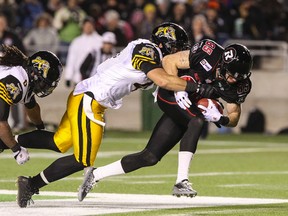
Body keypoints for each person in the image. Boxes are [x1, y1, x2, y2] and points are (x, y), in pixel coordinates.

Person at [14, 22, 215, 208]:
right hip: (91, 99)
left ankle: (9, 142)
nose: (179, 52)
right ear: (166, 44)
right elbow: (162, 81)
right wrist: (197, 88)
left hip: (87, 96)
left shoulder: (151, 53)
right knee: (82, 160)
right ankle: (31, 184)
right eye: (177, 47)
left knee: (60, 142)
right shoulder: (148, 50)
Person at [77, 40, 253, 201]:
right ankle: (181, 181)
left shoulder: (240, 85)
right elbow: (169, 60)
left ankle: (95, 175)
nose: (234, 80)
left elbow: (234, 117)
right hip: (172, 93)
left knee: (150, 156)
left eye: (239, 77)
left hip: (189, 104)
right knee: (197, 121)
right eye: (231, 74)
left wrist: (221, 118)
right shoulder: (209, 52)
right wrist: (179, 89)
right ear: (222, 63)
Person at [0, 45, 63, 163]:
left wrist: (40, 128)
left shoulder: (24, 76)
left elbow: (31, 107)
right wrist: (16, 150)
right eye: (45, 83)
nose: (46, 87)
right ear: (35, 73)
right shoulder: (15, 81)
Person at [64, 16, 103, 87]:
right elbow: (71, 59)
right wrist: (68, 76)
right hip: (78, 78)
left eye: (90, 25)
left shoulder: (100, 41)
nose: (88, 27)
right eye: (86, 26)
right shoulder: (76, 41)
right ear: (83, 27)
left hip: (95, 78)